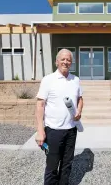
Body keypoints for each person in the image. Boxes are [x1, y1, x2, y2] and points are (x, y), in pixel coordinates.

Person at [35, 48, 84, 185]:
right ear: (56, 62)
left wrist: (79, 111)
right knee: (52, 166)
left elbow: (80, 99)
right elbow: (40, 105)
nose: (66, 62)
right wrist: (40, 131)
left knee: (67, 165)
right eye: (63, 59)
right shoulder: (48, 80)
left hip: (71, 130)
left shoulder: (76, 80)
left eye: (68, 59)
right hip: (53, 131)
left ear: (71, 62)